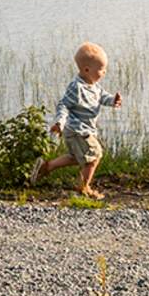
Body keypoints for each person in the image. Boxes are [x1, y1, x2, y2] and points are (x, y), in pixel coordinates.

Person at [32, 41, 123, 199]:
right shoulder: (76, 87)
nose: (104, 72)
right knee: (94, 156)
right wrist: (59, 122)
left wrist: (112, 101)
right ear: (87, 70)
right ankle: (83, 187)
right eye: (101, 69)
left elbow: (101, 96)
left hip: (84, 130)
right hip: (78, 130)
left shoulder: (93, 85)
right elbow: (63, 105)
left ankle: (47, 167)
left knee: (77, 157)